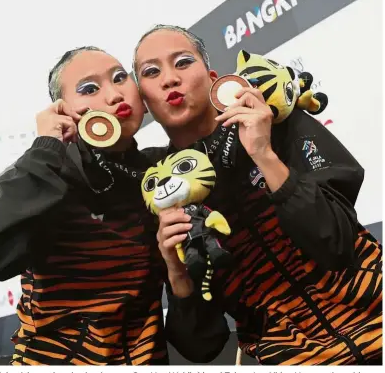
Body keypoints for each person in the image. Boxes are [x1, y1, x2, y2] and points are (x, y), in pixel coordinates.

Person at [0, 46, 227, 365]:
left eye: (120, 78)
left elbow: (201, 346)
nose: (113, 95)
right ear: (63, 110)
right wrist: (48, 148)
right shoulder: (47, 172)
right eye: (89, 89)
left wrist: (178, 272)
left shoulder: (161, 176)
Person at [132, 24, 383, 365]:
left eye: (183, 62)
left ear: (214, 78)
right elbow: (201, 346)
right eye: (151, 72)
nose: (169, 79)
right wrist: (176, 270)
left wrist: (264, 154)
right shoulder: (159, 188)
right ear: (143, 101)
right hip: (294, 358)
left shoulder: (273, 119)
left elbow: (336, 243)